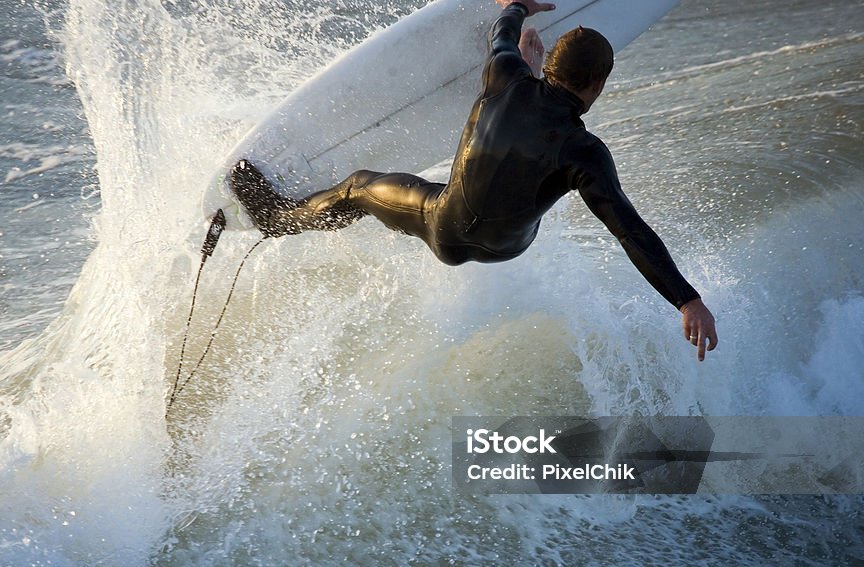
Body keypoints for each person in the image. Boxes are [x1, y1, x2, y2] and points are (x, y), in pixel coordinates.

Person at [230, 0, 719, 361]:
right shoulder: (586, 154)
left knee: (359, 186)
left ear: (546, 64)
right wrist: (687, 300)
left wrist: (518, 7)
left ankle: (276, 217)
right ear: (598, 85)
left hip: (445, 227)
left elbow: (501, 34)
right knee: (524, 181)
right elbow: (630, 230)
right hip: (506, 245)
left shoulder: (504, 76)